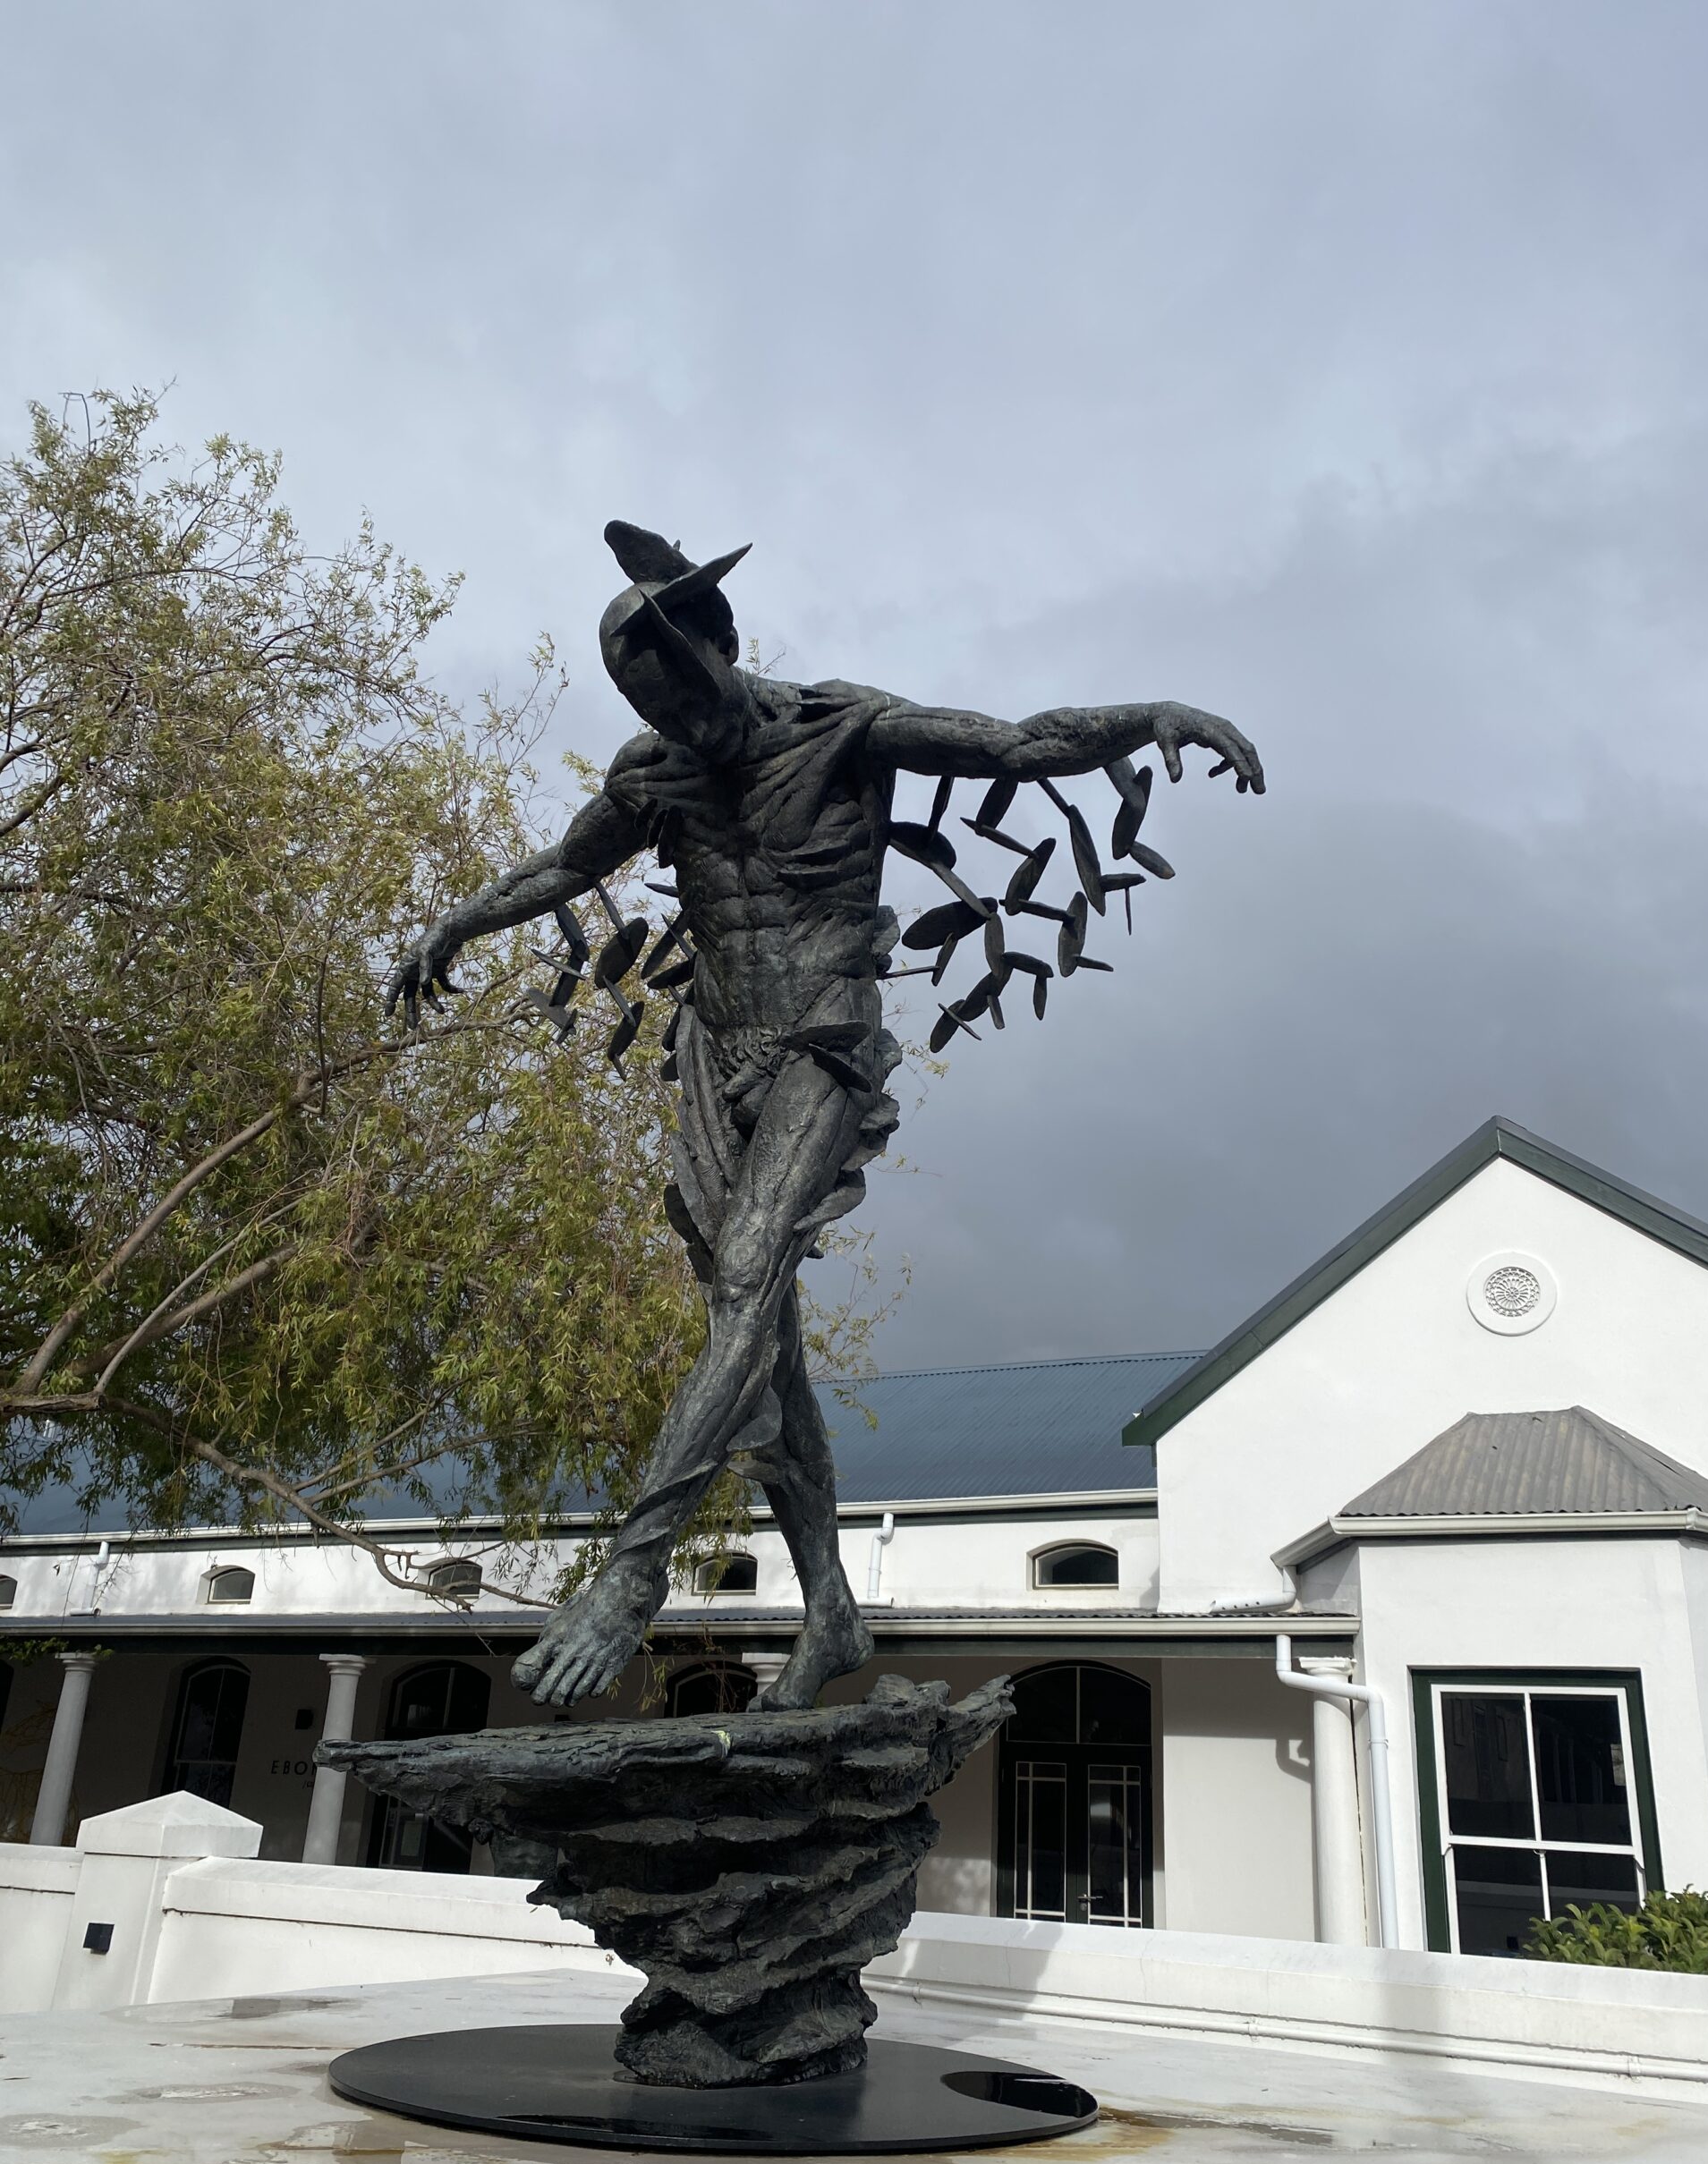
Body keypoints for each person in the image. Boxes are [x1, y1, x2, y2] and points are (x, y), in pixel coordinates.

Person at [387, 522, 1262, 1711]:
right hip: (717, 1054)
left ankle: (632, 1575)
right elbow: (564, 868)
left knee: (750, 1279)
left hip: (822, 1040)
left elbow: (1017, 745)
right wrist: (458, 922)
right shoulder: (655, 773)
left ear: (721, 648)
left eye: (683, 700)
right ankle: (833, 1612)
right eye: (650, 710)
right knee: (765, 1345)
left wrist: (1147, 715)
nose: (678, 727)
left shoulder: (842, 726)